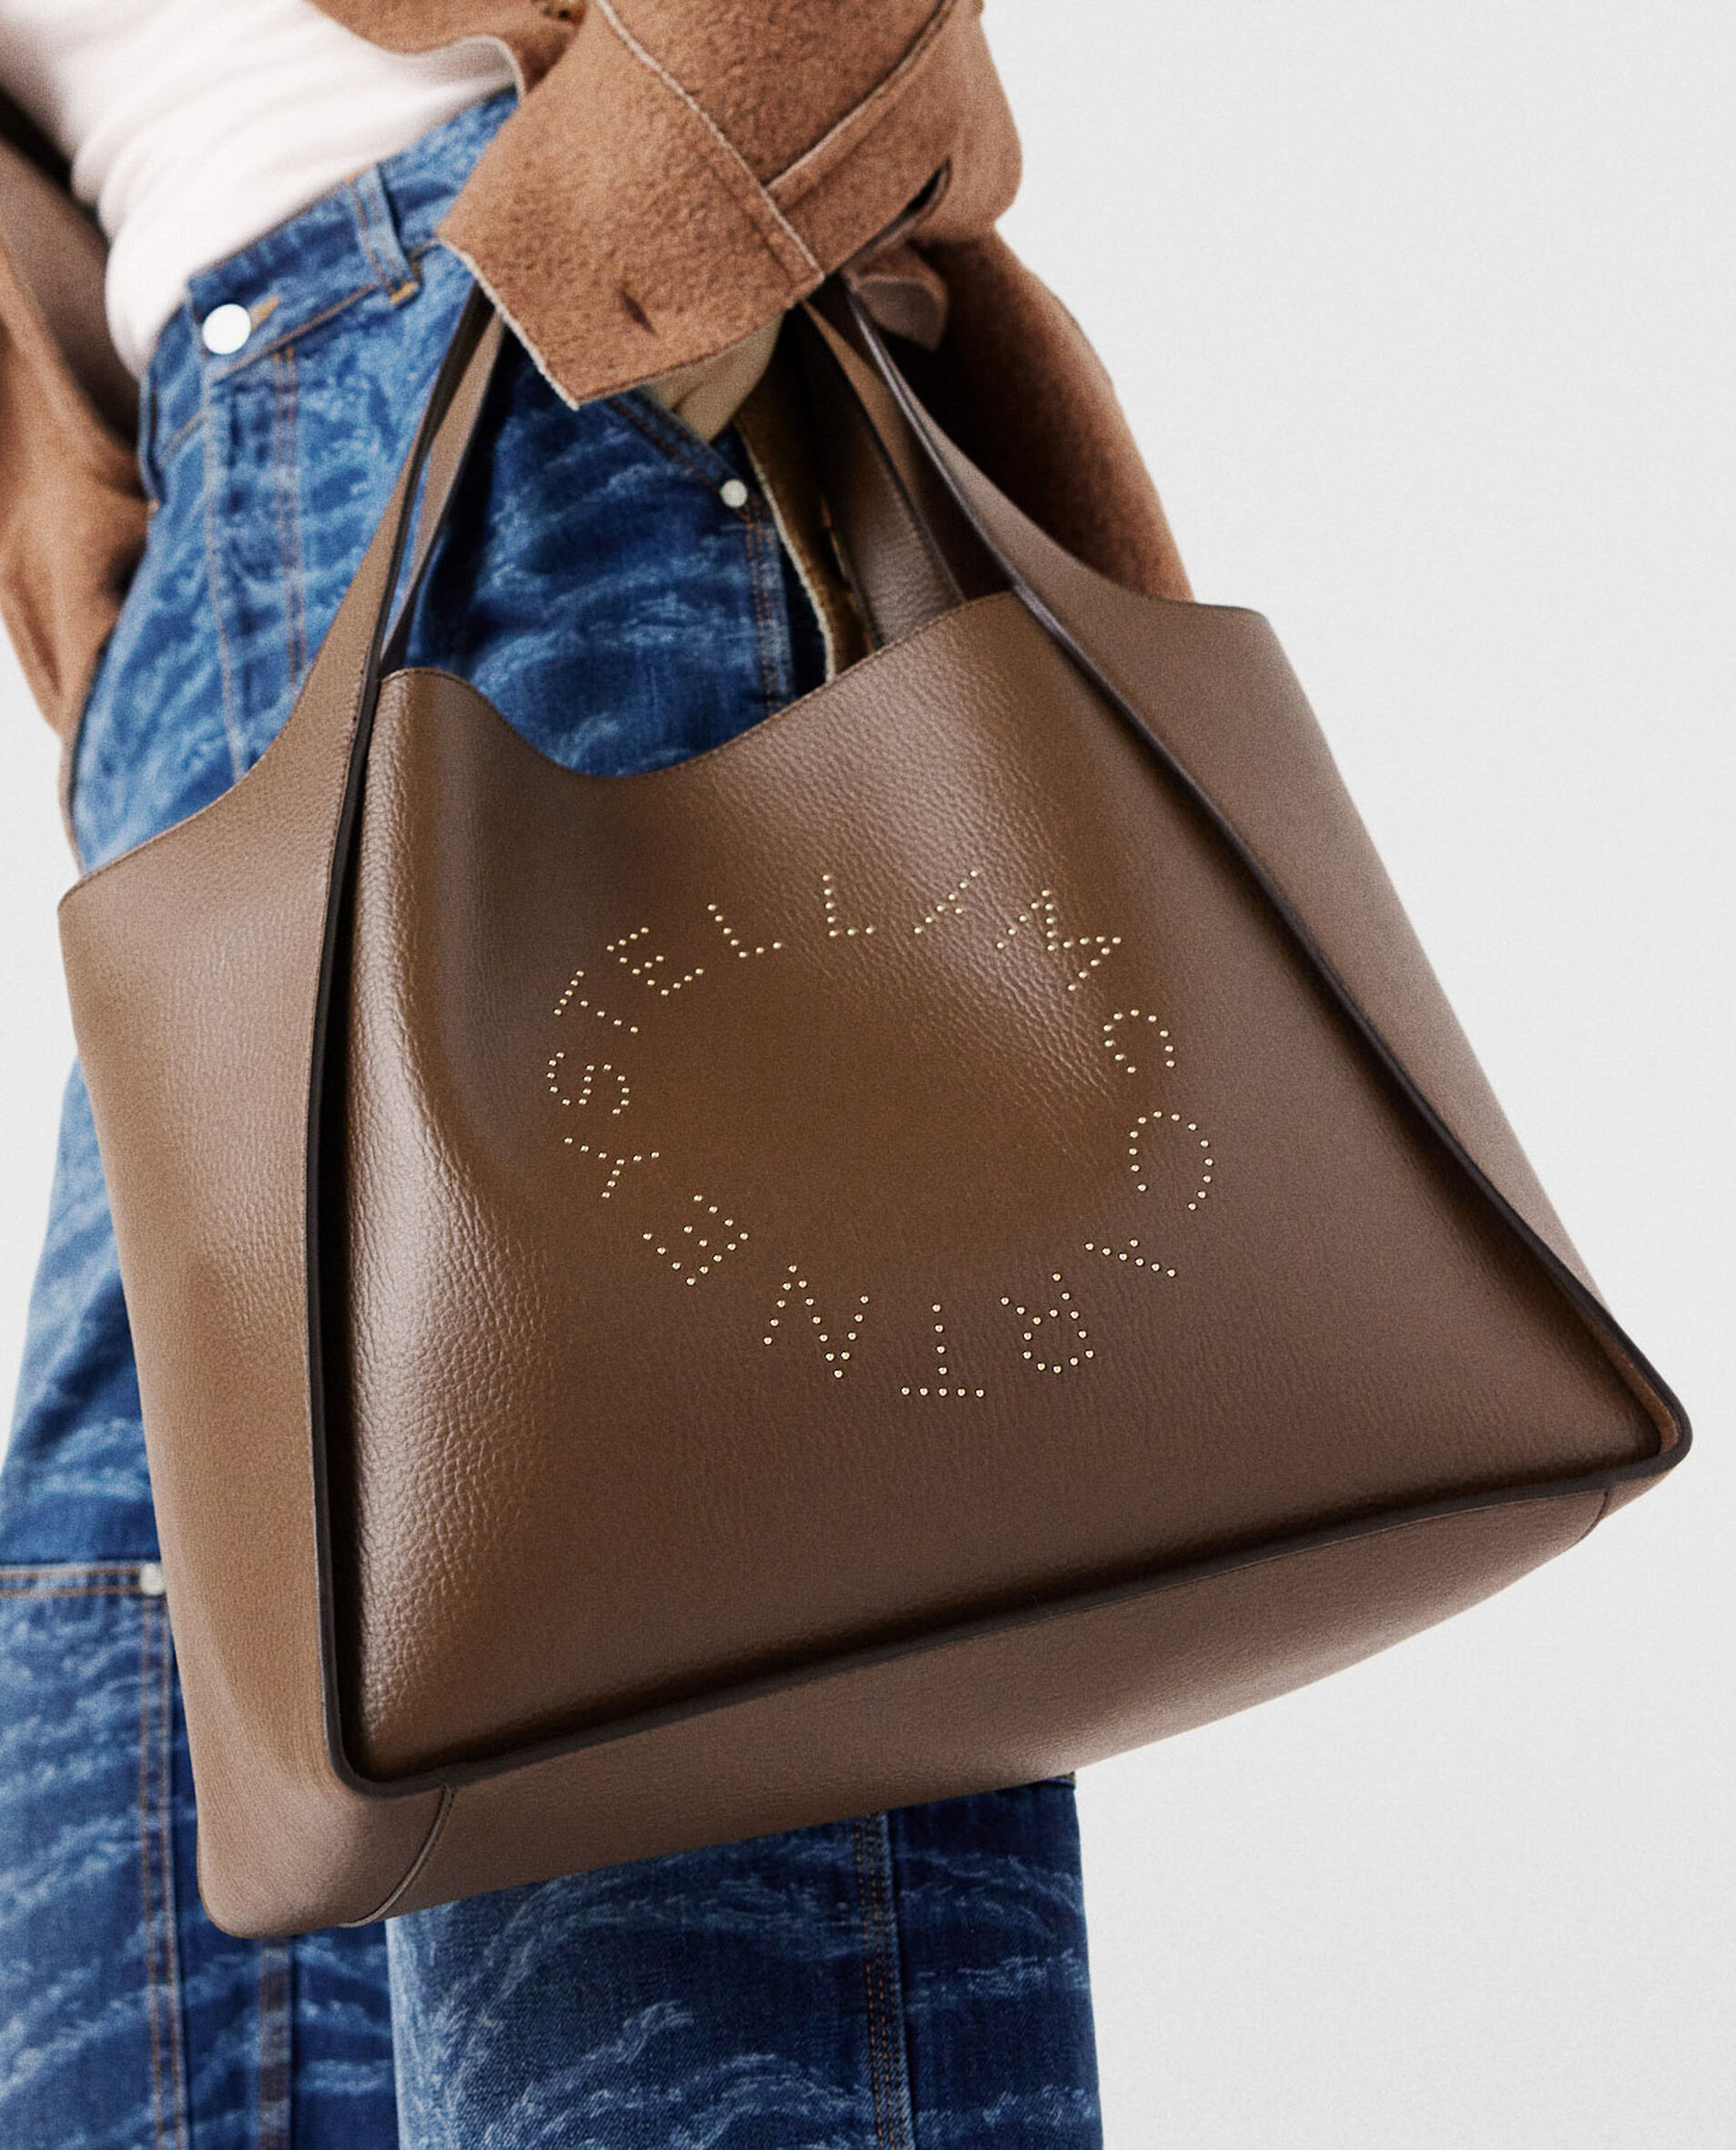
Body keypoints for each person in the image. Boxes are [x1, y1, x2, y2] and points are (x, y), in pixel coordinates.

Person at [0, 3, 1205, 2141]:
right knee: (135, 1795)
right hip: (200, 548)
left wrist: (647, 263)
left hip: (551, 388)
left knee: (666, 1957)